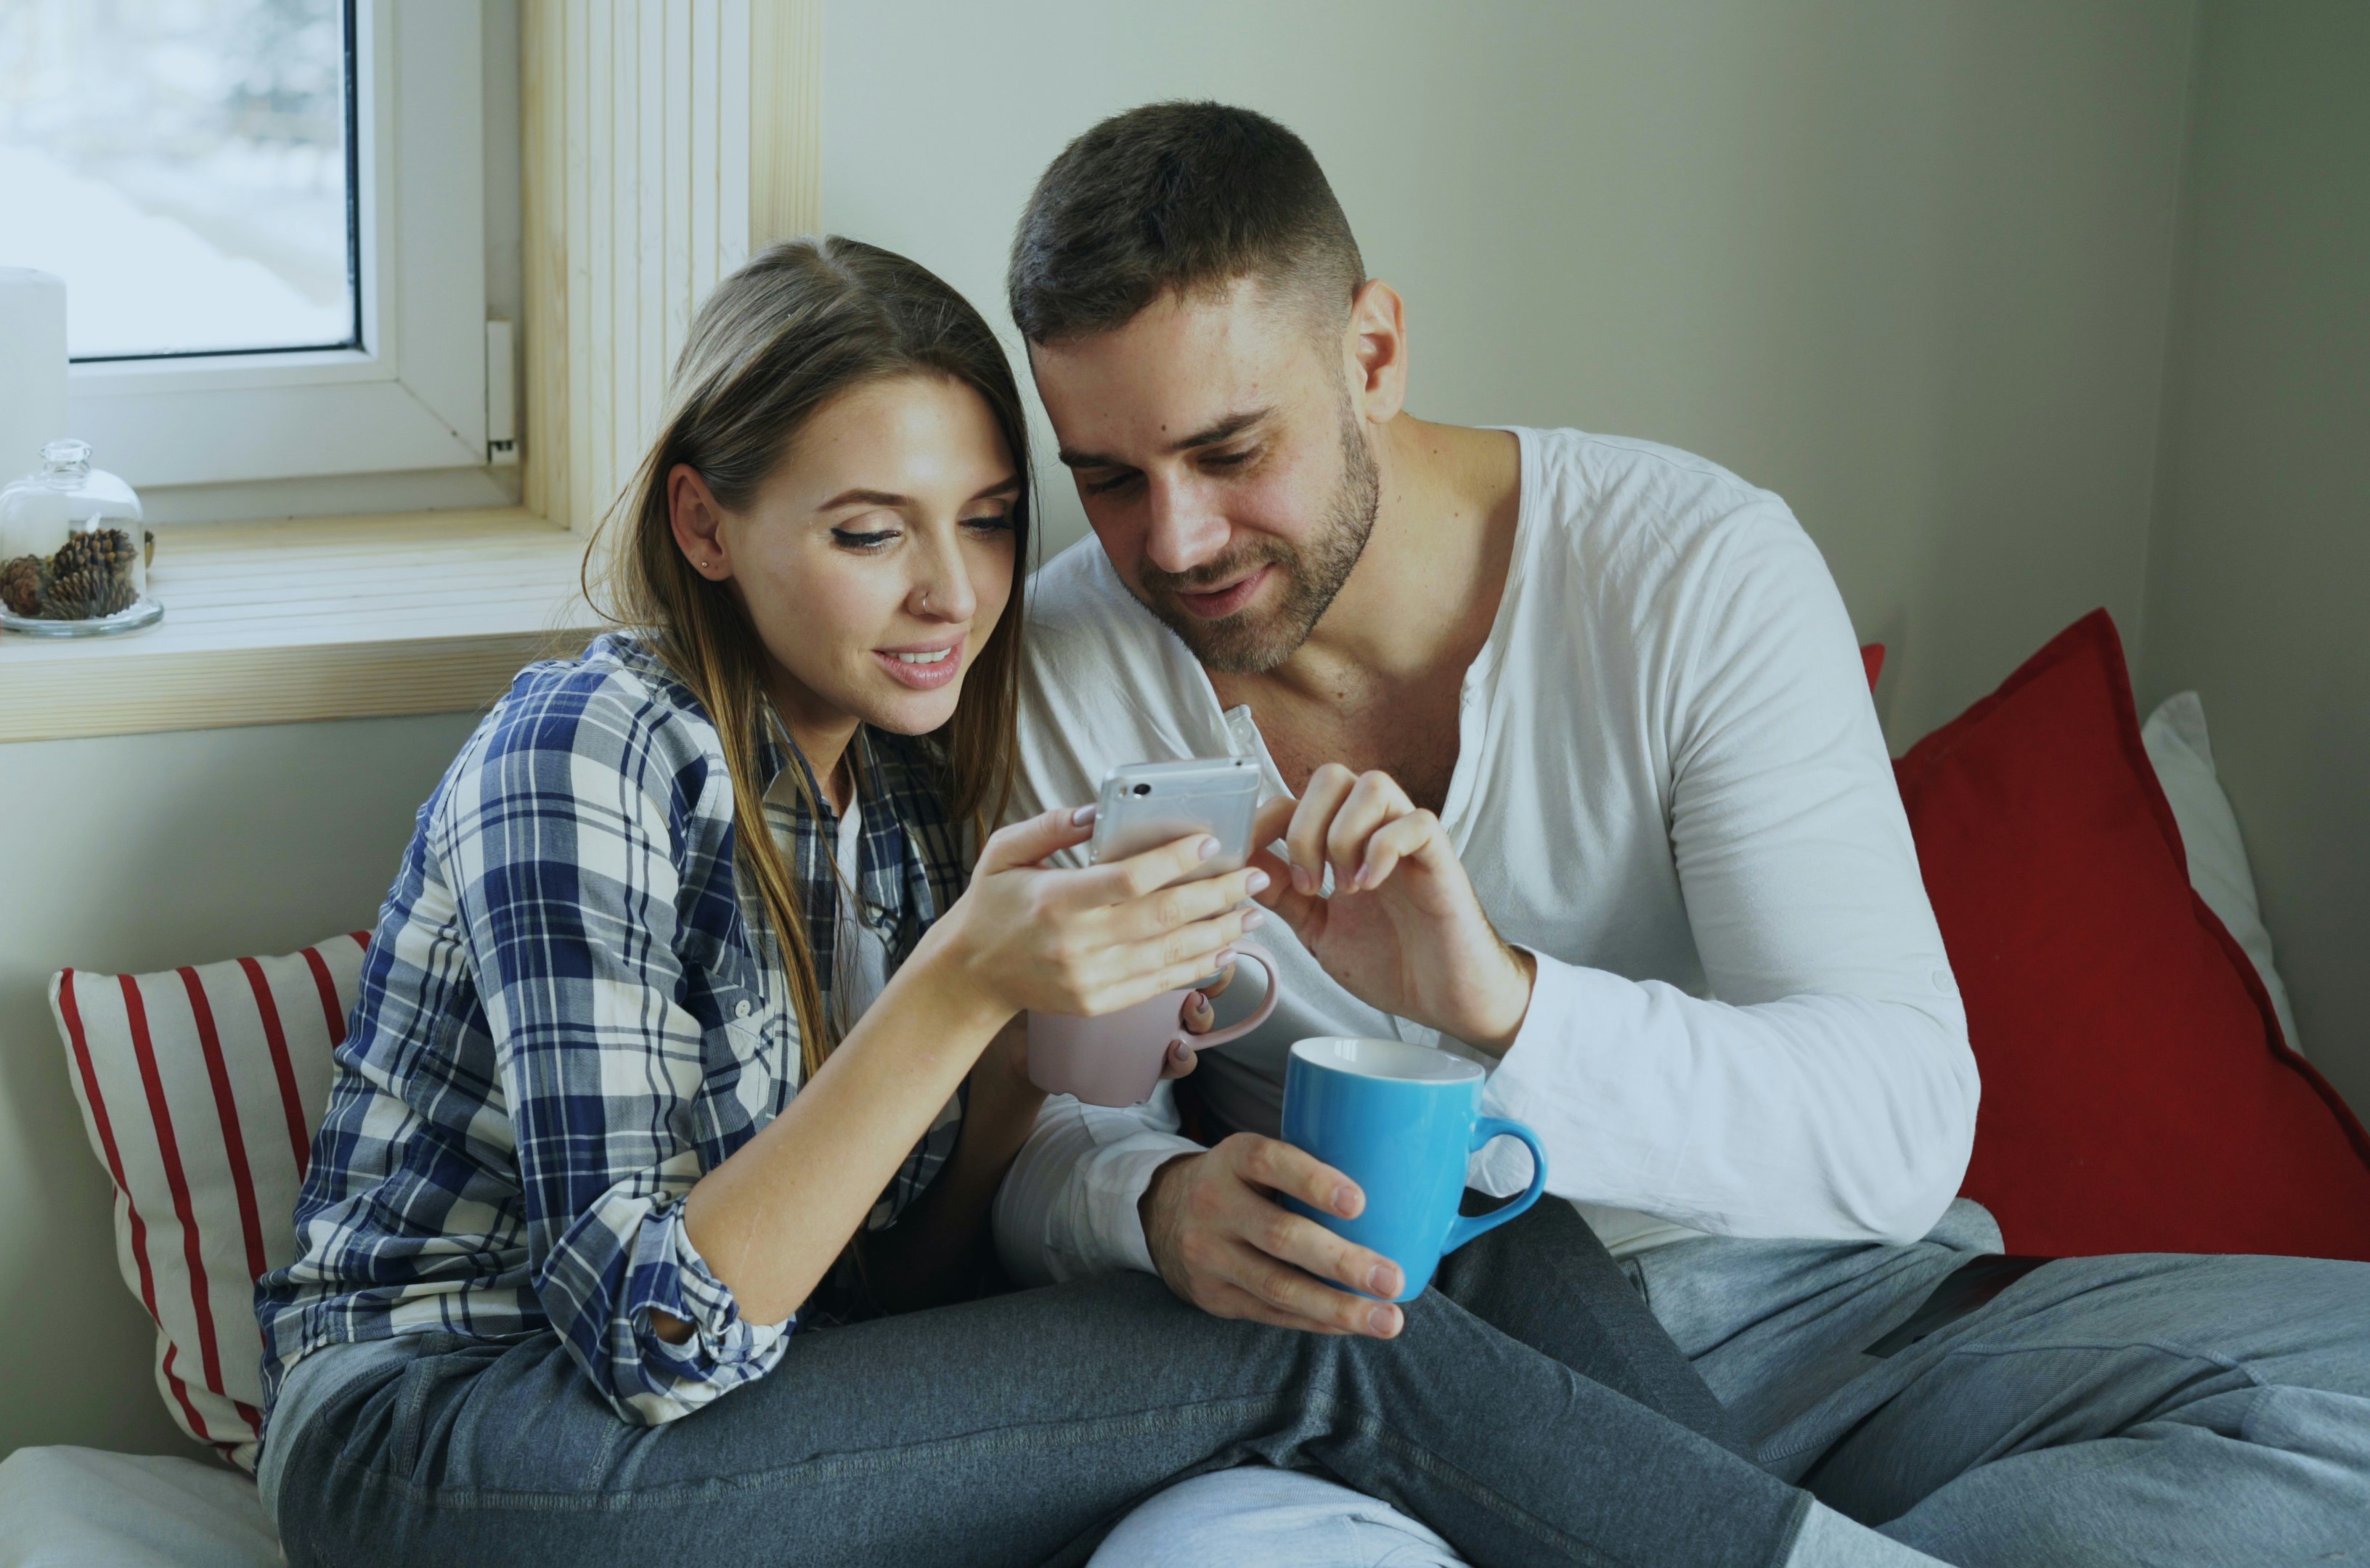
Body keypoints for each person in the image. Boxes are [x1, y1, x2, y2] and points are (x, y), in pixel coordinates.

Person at [250, 237, 1905, 1568]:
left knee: (1413, 1233)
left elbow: (892, 1295)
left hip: (746, 1407)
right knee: (1304, 1339)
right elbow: (651, 1341)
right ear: (705, 520)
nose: (950, 595)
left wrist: (1035, 1068)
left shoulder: (901, 793)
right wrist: (957, 990)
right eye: (864, 532)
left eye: (983, 524)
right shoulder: (590, 749)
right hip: (448, 1437)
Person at [993, 101, 2370, 1568]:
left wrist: (1505, 1005)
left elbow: (1901, 1127)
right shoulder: (1067, 664)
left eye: (1229, 450)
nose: (1177, 542)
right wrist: (1153, 1203)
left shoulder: (1691, 567)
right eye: (1111, 478)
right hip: (1397, 1378)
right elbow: (1048, 1127)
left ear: (1374, 353)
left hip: (1842, 1337)